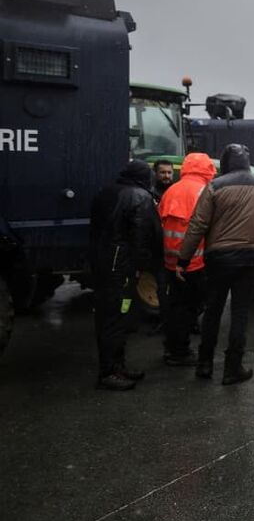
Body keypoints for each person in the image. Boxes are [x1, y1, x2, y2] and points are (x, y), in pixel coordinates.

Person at [177, 144, 254, 385]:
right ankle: (233, 368)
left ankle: (204, 364)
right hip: (251, 258)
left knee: (213, 310)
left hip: (219, 258)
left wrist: (183, 259)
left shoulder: (214, 186)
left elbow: (198, 225)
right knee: (240, 313)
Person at [88, 160, 163, 390]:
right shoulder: (140, 197)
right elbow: (142, 237)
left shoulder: (106, 192)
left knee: (110, 316)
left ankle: (116, 366)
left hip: (102, 263)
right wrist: (143, 266)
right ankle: (110, 371)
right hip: (122, 268)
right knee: (116, 318)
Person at [159, 152, 216, 366]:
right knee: (190, 308)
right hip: (194, 263)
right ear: (207, 169)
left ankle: (172, 347)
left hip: (170, 262)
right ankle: (179, 352)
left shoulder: (171, 190)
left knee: (175, 306)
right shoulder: (205, 192)